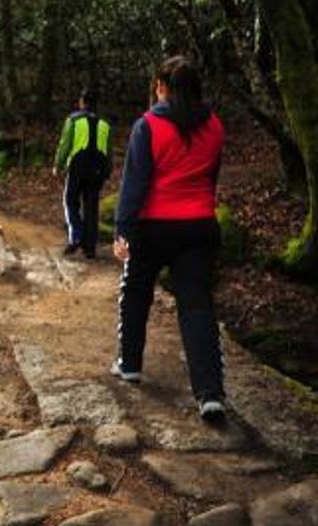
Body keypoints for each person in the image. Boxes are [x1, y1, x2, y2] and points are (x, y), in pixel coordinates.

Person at [111, 55, 227, 421]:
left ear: (162, 87)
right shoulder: (215, 127)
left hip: (153, 227)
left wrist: (123, 230)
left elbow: (134, 184)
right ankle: (210, 394)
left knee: (135, 291)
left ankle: (129, 364)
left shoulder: (148, 126)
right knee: (197, 306)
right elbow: (211, 178)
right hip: (198, 226)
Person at [52, 89, 112, 259]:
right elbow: (109, 151)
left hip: (78, 166)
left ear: (81, 102)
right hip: (98, 170)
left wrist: (58, 164)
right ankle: (90, 248)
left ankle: (76, 235)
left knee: (70, 200)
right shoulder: (105, 124)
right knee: (91, 207)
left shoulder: (73, 120)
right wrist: (107, 171)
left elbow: (65, 144)